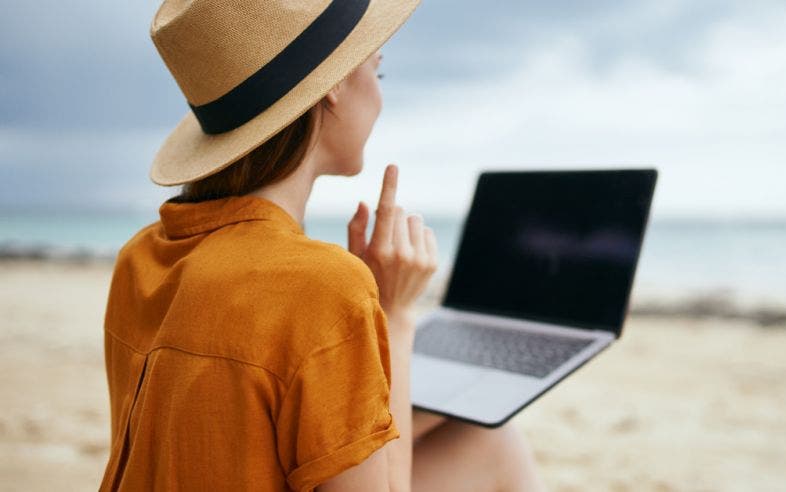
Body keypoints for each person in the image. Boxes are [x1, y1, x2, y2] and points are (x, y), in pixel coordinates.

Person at [100, 0, 546, 490]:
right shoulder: (322, 287)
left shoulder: (140, 259)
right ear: (332, 85)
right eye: (379, 70)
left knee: (485, 437)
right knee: (496, 444)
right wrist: (393, 313)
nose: (379, 94)